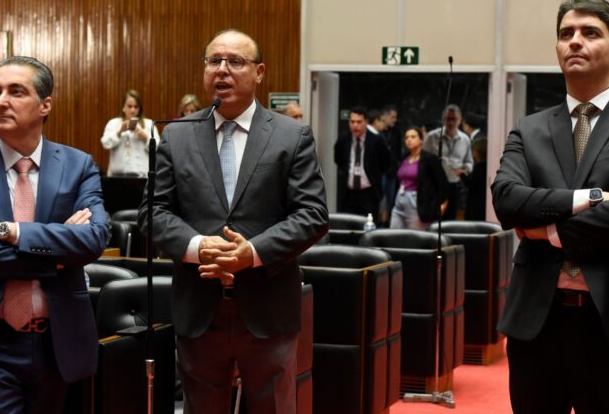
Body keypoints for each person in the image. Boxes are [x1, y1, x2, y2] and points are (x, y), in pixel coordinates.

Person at [491, 0, 609, 414]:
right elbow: (507, 201)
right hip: (537, 323)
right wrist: (586, 199)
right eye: (566, 34)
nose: (575, 41)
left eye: (590, 33)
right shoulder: (530, 128)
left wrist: (543, 230)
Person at [138, 29, 328, 414]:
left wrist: (253, 253)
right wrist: (199, 247)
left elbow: (313, 215)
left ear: (259, 72)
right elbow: (152, 213)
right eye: (214, 61)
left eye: (235, 62)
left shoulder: (291, 136)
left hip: (267, 305)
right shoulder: (177, 134)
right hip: (199, 306)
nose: (222, 70)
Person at [0, 56, 109, 413]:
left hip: (58, 342)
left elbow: (93, 239)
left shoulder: (78, 166)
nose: (1, 101)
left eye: (16, 91)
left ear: (45, 105)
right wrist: (56, 256)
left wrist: (10, 231)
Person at [334, 106, 391, 219]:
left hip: (369, 193)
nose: (355, 125)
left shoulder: (376, 140)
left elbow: (386, 163)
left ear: (366, 122)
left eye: (359, 122)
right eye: (352, 122)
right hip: (348, 193)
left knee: (368, 227)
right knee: (347, 226)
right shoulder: (343, 140)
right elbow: (338, 160)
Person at [389, 126, 448, 229]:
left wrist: (442, 204)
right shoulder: (404, 157)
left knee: (414, 238)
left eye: (413, 137)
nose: (409, 140)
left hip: (418, 201)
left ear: (421, 140)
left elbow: (442, 182)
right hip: (400, 199)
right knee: (393, 233)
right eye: (407, 137)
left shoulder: (430, 159)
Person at [422, 104, 473, 220]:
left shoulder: (465, 139)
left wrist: (464, 170)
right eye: (447, 119)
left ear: (460, 120)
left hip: (455, 185)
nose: (450, 122)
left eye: (453, 119)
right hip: (435, 184)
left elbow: (469, 162)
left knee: (450, 220)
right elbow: (423, 161)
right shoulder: (432, 137)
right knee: (433, 218)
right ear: (443, 119)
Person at [100, 89, 157, 177]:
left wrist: (145, 136)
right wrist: (118, 133)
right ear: (123, 107)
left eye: (136, 106)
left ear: (140, 108)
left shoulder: (149, 124)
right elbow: (105, 143)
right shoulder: (114, 123)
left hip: (142, 177)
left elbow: (157, 148)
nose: (133, 110)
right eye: (129, 106)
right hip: (116, 177)